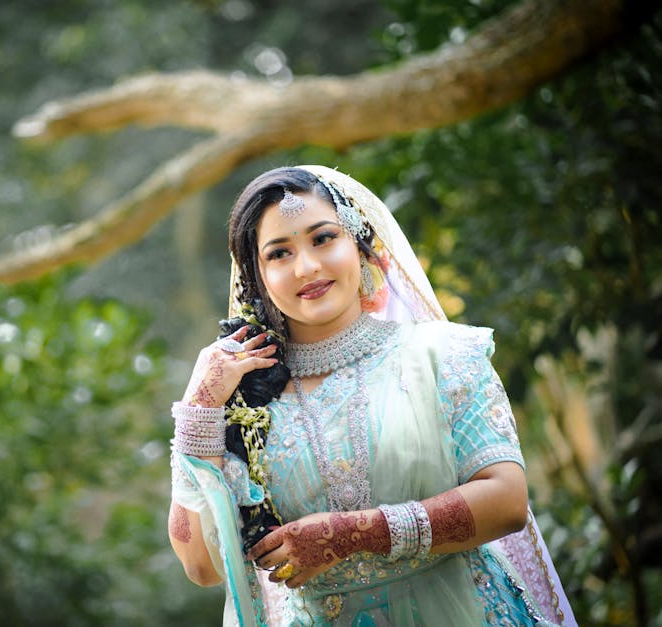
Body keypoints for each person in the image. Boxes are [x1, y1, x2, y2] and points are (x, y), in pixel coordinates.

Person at [167, 165, 576, 626]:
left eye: (323, 238)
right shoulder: (245, 403)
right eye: (279, 253)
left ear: (362, 247)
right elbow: (201, 566)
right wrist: (199, 407)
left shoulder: (443, 355)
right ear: (257, 277)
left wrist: (352, 535)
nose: (307, 267)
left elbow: (506, 502)